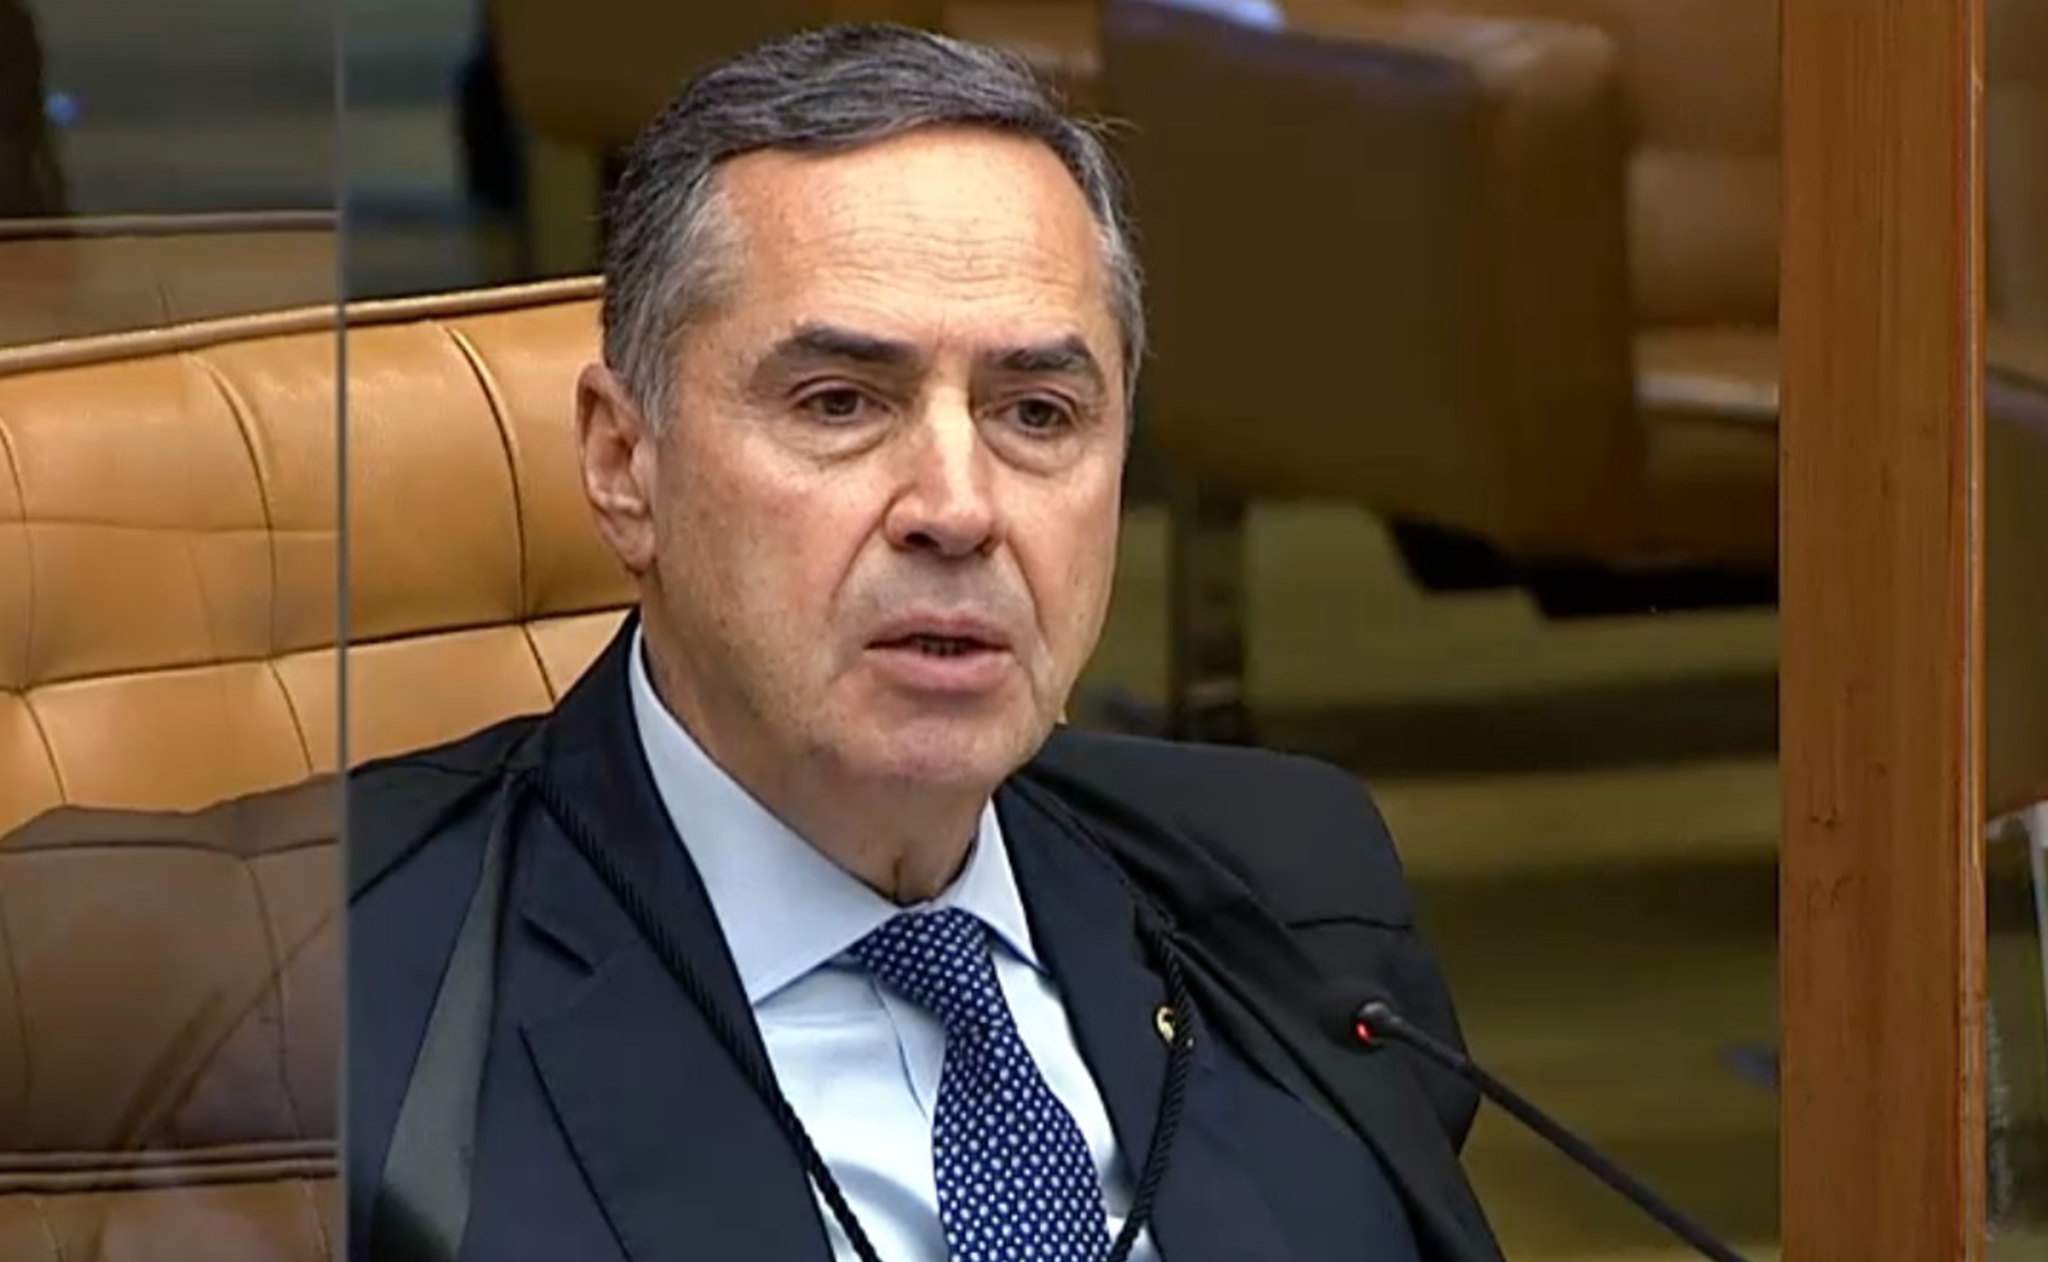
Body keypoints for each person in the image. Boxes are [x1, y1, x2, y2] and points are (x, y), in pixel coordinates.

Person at [349, 24, 1501, 1262]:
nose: (956, 507)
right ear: (624, 463)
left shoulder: (1286, 893)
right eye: (840, 402)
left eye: (1036, 413)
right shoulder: (325, 983)